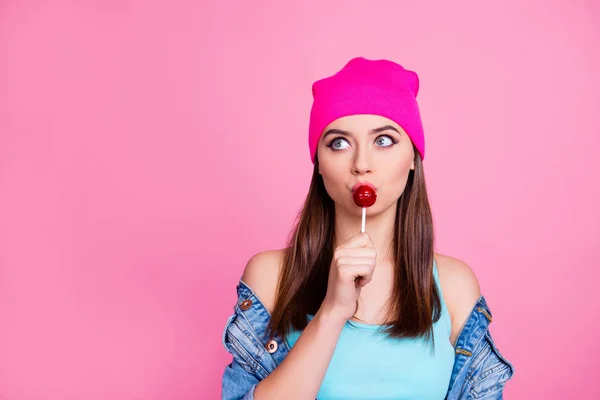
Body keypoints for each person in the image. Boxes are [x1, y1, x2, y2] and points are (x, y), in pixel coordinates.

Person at [221, 57, 514, 400]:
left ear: (413, 161)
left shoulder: (453, 285)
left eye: (384, 140)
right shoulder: (271, 276)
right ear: (318, 164)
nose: (361, 164)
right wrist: (333, 312)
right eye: (339, 143)